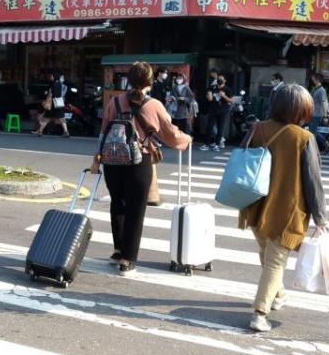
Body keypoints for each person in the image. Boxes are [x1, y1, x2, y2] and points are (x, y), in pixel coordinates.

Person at [239, 84, 328, 333]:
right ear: (300, 109)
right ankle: (260, 313)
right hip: (285, 211)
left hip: (254, 205)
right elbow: (313, 180)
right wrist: (321, 217)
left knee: (267, 254)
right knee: (275, 262)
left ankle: (277, 295)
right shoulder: (303, 138)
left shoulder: (258, 128)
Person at [92, 62, 191, 276]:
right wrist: (187, 139)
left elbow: (103, 132)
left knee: (118, 204)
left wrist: (97, 159)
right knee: (136, 211)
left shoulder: (115, 101)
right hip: (139, 161)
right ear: (150, 81)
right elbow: (171, 134)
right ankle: (128, 260)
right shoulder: (154, 104)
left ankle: (118, 251)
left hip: (112, 160)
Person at [201, 74, 232, 151]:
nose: (219, 80)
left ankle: (217, 144)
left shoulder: (228, 89)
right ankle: (206, 144)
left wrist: (224, 96)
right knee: (210, 127)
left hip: (223, 111)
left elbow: (231, 101)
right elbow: (209, 98)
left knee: (220, 128)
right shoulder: (213, 88)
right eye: (218, 79)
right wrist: (209, 96)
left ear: (224, 81)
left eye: (221, 79)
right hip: (213, 110)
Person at [34, 73, 69, 137]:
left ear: (55, 76)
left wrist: (47, 101)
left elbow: (51, 94)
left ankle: (40, 131)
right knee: (61, 118)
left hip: (52, 104)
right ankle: (66, 132)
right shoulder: (59, 84)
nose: (51, 77)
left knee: (46, 118)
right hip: (58, 103)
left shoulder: (53, 84)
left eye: (52, 76)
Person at [309, 73, 329, 152]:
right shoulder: (315, 89)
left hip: (317, 114)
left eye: (313, 78)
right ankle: (324, 144)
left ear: (317, 80)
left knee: (312, 132)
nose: (312, 80)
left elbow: (324, 103)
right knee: (312, 131)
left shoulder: (321, 90)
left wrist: (325, 116)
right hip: (313, 113)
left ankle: (326, 143)